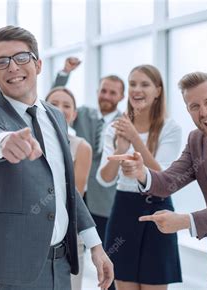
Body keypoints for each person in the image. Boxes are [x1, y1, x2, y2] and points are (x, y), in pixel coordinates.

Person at [0, 25, 113, 290]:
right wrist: (4, 142)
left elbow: (65, 187)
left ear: (38, 64)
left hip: (61, 266)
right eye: (2, 62)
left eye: (21, 58)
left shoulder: (55, 116)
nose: (12, 67)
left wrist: (96, 245)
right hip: (12, 272)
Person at [114, 71, 207, 289]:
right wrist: (142, 173)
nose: (204, 112)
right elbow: (168, 181)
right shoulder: (197, 140)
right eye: (194, 106)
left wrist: (185, 221)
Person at [97, 64, 183, 290]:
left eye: (145, 84)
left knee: (154, 283)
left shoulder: (170, 128)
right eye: (133, 83)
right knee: (123, 282)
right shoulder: (114, 128)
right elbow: (105, 178)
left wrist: (135, 139)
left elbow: (164, 177)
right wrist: (120, 149)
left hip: (159, 209)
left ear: (158, 91)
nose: (137, 89)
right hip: (124, 209)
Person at [53, 58, 125, 264]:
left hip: (106, 201)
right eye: (103, 90)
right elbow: (54, 103)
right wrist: (65, 73)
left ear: (121, 96)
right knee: (74, 253)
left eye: (113, 92)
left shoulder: (126, 123)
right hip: (77, 194)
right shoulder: (82, 113)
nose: (107, 96)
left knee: (110, 257)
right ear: (97, 92)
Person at [45, 86, 92, 290]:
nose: (60, 109)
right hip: (33, 234)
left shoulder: (81, 147)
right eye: (54, 104)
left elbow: (75, 196)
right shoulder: (29, 142)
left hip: (68, 236)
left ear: (74, 114)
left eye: (66, 106)